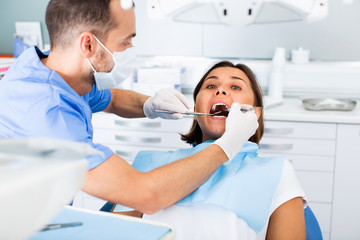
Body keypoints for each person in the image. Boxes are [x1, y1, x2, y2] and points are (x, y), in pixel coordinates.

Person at [0, 0, 259, 215]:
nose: (130, 49)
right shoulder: (48, 116)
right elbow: (147, 195)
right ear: (88, 45)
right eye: (125, 42)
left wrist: (149, 105)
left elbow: (110, 98)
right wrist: (227, 145)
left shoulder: (50, 69)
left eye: (236, 87)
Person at [112, 61, 307, 240]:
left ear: (254, 114)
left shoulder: (277, 171)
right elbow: (115, 234)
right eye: (211, 86)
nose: (221, 91)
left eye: (236, 87)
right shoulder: (149, 163)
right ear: (195, 111)